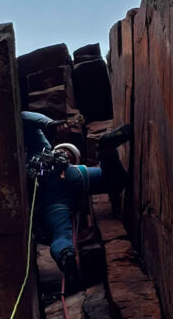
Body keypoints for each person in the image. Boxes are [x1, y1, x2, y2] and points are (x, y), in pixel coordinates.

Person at [21, 111, 132, 287]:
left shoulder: (41, 148)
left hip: (54, 198)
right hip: (74, 177)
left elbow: (23, 117)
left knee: (60, 233)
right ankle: (106, 150)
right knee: (114, 179)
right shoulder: (62, 160)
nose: (67, 153)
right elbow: (23, 116)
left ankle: (66, 255)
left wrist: (49, 124)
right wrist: (51, 124)